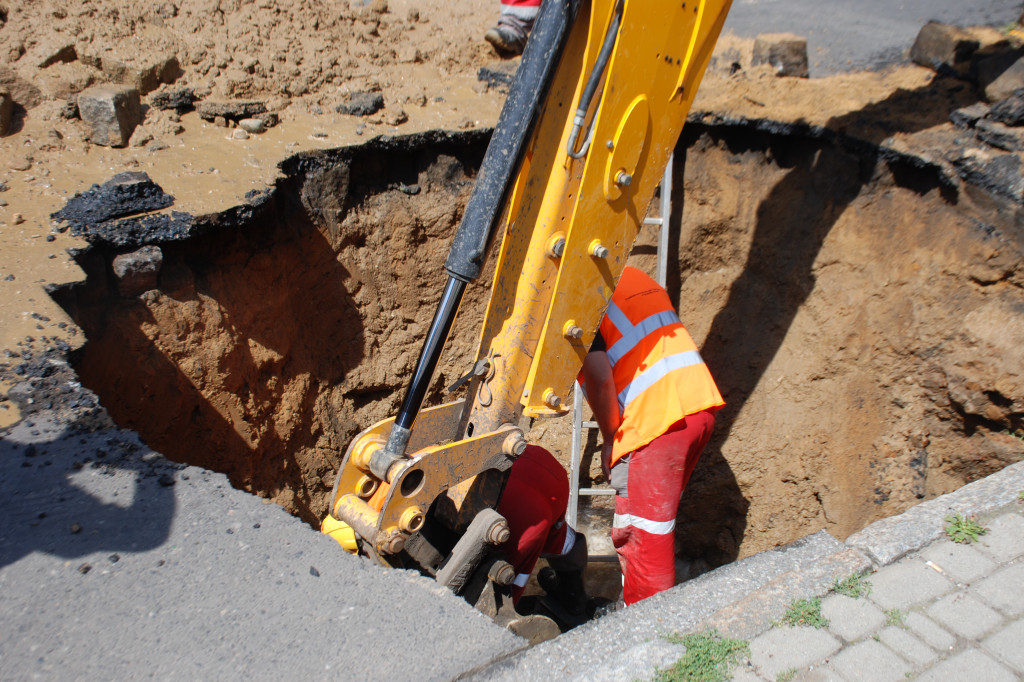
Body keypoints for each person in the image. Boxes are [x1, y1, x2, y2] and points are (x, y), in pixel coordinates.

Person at [579, 265, 724, 606]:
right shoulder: (631, 276)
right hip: (697, 408)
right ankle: (636, 608)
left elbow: (599, 377)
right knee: (646, 530)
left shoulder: (578, 292)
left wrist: (612, 438)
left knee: (643, 544)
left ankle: (650, 641)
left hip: (656, 424)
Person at [496, 443, 588, 617]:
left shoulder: (518, 532)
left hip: (526, 504)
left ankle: (574, 605)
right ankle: (575, 603)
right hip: (532, 459)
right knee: (557, 538)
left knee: (504, 591)